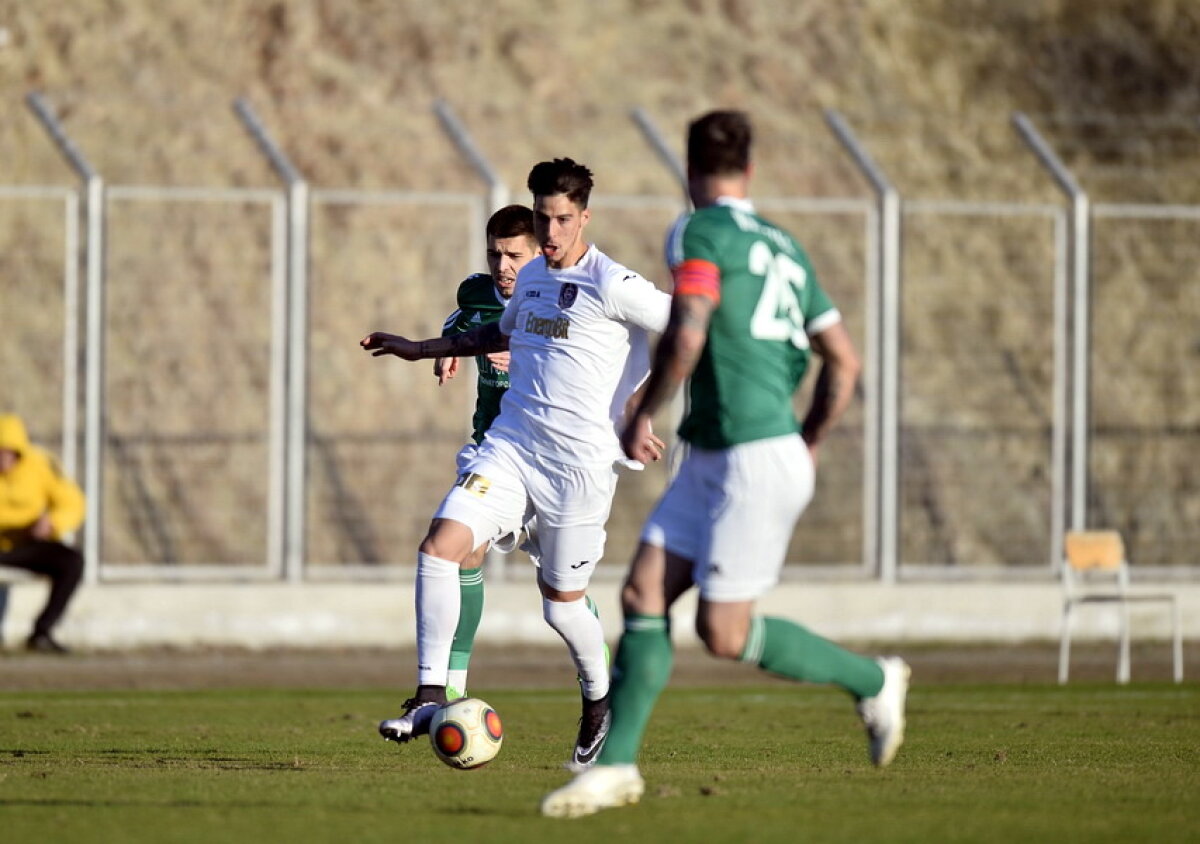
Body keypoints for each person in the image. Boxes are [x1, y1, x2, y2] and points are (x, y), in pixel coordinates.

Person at [540, 110, 911, 818]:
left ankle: (873, 678)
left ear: (689, 167)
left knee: (724, 633)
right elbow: (844, 360)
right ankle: (616, 768)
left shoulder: (698, 230)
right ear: (751, 169)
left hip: (747, 455)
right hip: (728, 452)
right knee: (643, 594)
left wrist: (644, 408)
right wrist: (811, 438)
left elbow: (688, 328)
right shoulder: (786, 247)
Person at [362, 157, 672, 770]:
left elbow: (688, 327)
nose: (550, 231)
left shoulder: (612, 283)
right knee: (439, 546)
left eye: (561, 219)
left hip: (578, 471)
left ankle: (598, 699)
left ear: (584, 217)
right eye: (542, 217)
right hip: (511, 447)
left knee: (560, 605)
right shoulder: (530, 280)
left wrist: (640, 412)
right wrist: (419, 347)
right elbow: (492, 335)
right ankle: (431, 693)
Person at [434, 203, 540, 700]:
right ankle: (449, 689)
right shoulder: (478, 291)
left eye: (514, 256)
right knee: (460, 552)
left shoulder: (558, 298)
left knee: (564, 598)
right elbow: (459, 323)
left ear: (539, 253)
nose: (503, 268)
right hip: (491, 448)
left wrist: (520, 356)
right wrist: (453, 352)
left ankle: (597, 686)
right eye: (496, 254)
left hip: (548, 458)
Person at [0, 412, 85, 653]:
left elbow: (73, 502)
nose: (3, 459)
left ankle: (42, 632)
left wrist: (53, 523)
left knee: (71, 561)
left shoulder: (41, 464)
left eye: (8, 452)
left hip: (24, 545)